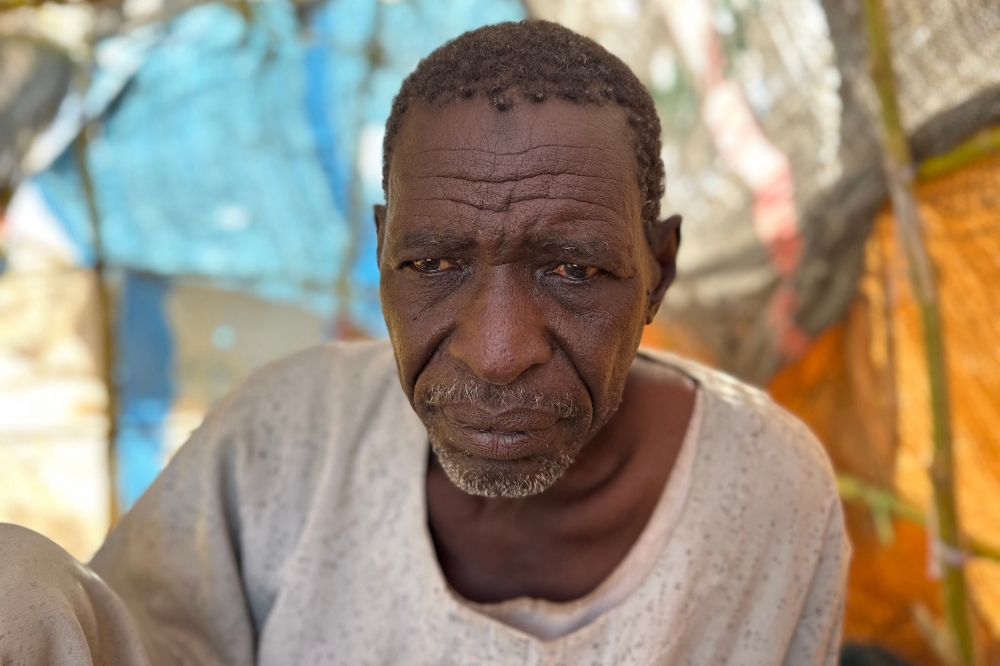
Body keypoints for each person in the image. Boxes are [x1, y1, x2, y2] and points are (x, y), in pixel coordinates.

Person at [0, 20, 849, 665]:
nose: (497, 349)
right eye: (434, 262)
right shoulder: (289, 435)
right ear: (382, 255)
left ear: (657, 270)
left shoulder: (768, 492)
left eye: (575, 272)